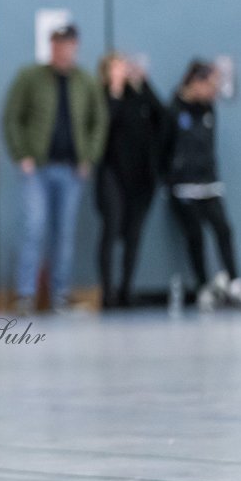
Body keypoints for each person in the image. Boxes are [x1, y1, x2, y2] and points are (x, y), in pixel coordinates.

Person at [3, 23, 107, 315]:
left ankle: (60, 296)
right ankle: (26, 295)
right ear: (51, 47)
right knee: (33, 227)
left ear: (76, 47)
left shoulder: (85, 82)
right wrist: (20, 153)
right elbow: (12, 116)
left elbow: (98, 122)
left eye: (67, 45)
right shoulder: (30, 77)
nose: (62, 51)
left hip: (71, 171)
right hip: (36, 169)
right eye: (57, 45)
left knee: (64, 234)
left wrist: (89, 156)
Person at [163, 60, 241, 311]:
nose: (212, 91)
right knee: (195, 235)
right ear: (195, 82)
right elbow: (162, 148)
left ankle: (235, 282)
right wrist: (171, 178)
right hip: (183, 186)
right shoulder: (174, 109)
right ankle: (204, 285)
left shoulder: (208, 110)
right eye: (209, 85)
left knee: (223, 229)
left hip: (209, 183)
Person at [95, 52, 163, 308]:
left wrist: (144, 83)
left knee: (134, 234)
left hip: (140, 175)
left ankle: (126, 289)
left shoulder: (138, 95)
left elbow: (163, 117)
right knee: (111, 228)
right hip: (112, 172)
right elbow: (103, 126)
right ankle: (107, 291)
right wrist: (113, 91)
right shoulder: (103, 96)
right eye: (116, 68)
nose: (122, 72)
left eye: (123, 67)